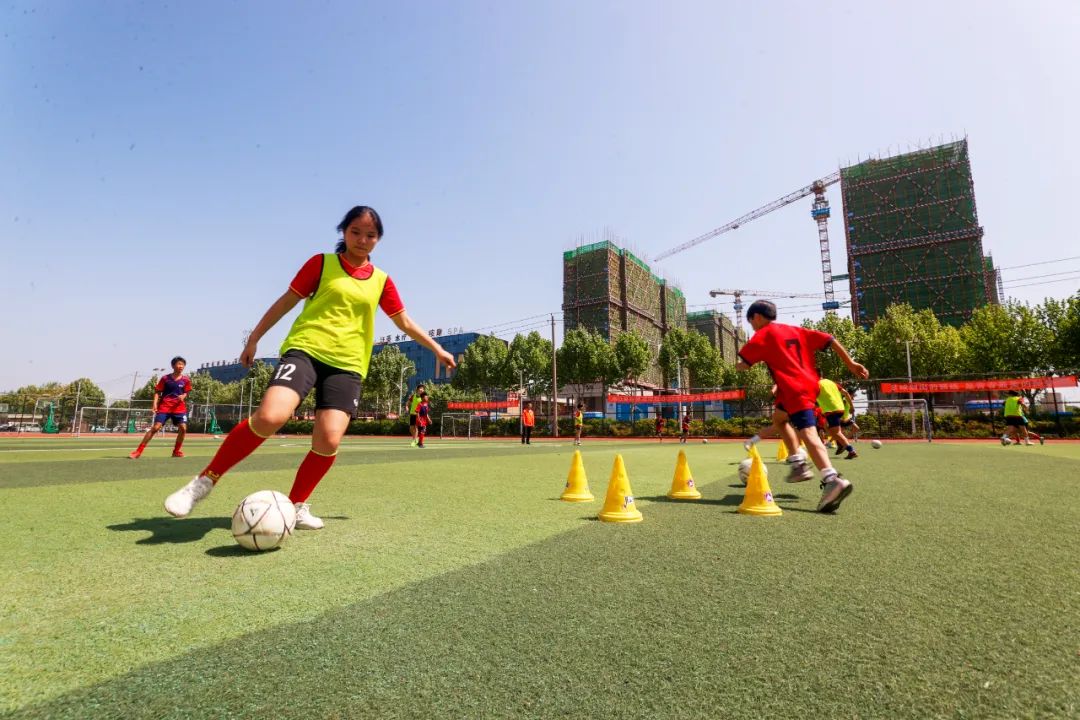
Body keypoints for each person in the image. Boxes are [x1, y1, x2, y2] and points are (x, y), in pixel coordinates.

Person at [163, 206, 456, 529]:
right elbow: (285, 302)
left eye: (370, 235)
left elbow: (404, 322)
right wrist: (254, 339)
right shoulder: (321, 264)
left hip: (347, 365)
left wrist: (438, 349)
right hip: (305, 351)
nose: (362, 240)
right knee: (270, 417)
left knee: (329, 439)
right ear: (343, 232)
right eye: (356, 232)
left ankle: (296, 506)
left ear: (378, 240)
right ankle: (204, 481)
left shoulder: (381, 281)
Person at [736, 300, 869, 513]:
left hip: (793, 389)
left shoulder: (763, 335)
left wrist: (737, 366)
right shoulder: (796, 330)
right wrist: (851, 363)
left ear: (757, 317)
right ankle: (798, 463)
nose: (752, 326)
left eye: (751, 322)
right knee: (779, 419)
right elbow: (830, 339)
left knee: (808, 432)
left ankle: (831, 479)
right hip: (805, 386)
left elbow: (744, 364)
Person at [129, 356, 191, 459]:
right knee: (155, 428)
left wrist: (183, 396)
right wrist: (154, 404)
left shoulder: (186, 380)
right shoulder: (165, 378)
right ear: (173, 366)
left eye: (183, 364)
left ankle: (176, 451)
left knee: (183, 428)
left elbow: (186, 392)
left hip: (179, 408)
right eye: (179, 364)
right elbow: (157, 392)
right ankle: (138, 451)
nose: (181, 366)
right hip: (165, 407)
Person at [817, 377, 857, 459]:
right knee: (833, 431)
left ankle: (850, 450)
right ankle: (841, 444)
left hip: (831, 410)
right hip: (840, 409)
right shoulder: (832, 383)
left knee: (836, 432)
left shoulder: (816, 384)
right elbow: (846, 393)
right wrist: (851, 406)